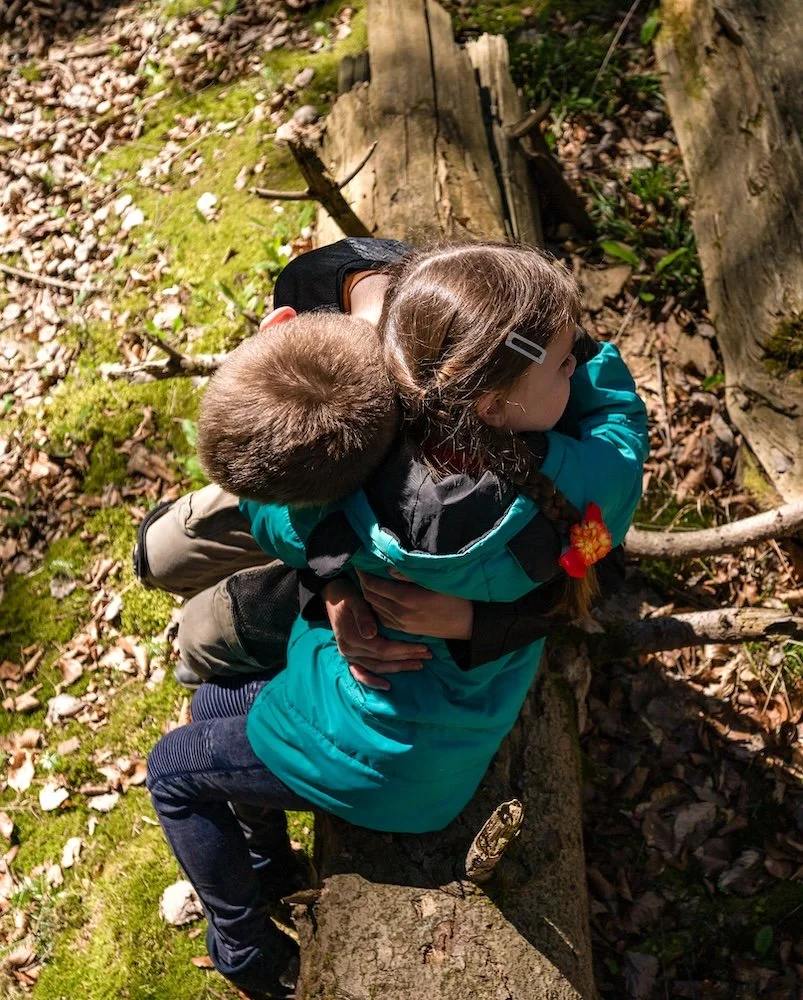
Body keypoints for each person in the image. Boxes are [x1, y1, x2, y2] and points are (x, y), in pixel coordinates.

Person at [146, 241, 649, 998]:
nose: (571, 367)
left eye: (567, 358)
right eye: (558, 363)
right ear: (490, 403)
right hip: (423, 735)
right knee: (206, 711)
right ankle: (261, 904)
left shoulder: (348, 474)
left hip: (380, 751)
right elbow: (618, 422)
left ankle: (245, 939)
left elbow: (273, 516)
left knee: (172, 773)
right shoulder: (577, 492)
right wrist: (578, 350)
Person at [133, 237, 619, 693]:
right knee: (163, 553)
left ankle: (204, 647)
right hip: (299, 492)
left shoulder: (494, 470)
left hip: (322, 529)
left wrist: (335, 592)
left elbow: (580, 569)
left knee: (211, 630)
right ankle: (168, 565)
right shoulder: (328, 298)